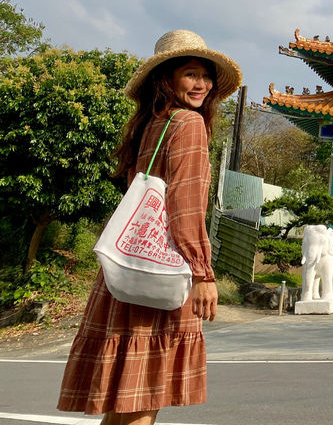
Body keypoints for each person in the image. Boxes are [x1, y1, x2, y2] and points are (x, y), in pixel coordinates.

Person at [58, 30, 241, 425]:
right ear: (167, 79)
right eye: (191, 74)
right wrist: (202, 272)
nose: (202, 85)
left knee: (125, 402)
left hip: (130, 270)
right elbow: (186, 205)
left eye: (206, 77)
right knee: (145, 401)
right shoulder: (189, 123)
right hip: (165, 273)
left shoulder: (151, 126)